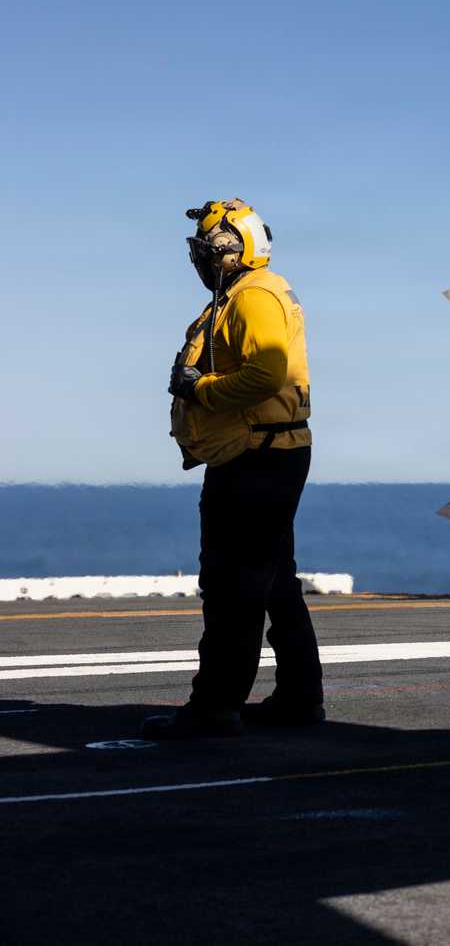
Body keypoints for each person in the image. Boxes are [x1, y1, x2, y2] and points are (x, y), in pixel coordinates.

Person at [144, 199, 324, 739]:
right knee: (272, 583)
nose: (200, 260)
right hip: (267, 454)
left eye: (205, 250)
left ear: (230, 249)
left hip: (255, 459)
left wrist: (199, 388)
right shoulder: (245, 296)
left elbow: (265, 375)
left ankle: (215, 707)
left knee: (232, 585)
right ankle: (298, 698)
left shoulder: (254, 297)